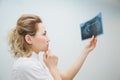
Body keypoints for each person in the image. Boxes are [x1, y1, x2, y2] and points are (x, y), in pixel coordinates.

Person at [8, 14, 97, 80]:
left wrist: (86, 50)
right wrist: (53, 67)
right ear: (29, 39)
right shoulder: (26, 66)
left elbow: (65, 78)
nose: (48, 39)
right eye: (44, 34)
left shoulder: (34, 63)